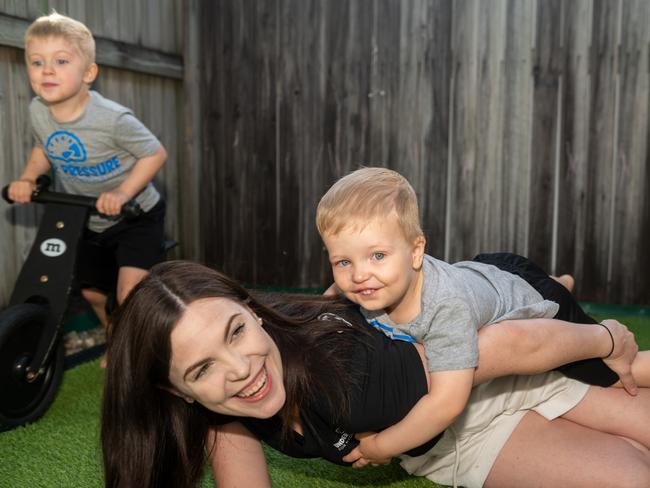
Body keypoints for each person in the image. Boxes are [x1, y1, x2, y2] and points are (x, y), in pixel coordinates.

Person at [101, 260, 650, 488]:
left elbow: (505, 346)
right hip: (457, 436)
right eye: (201, 368)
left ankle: (553, 286)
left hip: (498, 360)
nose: (242, 370)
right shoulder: (227, 403)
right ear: (175, 392)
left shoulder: (357, 384)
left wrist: (606, 339)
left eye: (236, 331)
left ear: (252, 309)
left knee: (603, 356)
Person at [315, 167, 646, 466]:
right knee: (520, 288)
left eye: (377, 255)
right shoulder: (368, 283)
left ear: (416, 251)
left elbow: (446, 403)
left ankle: (568, 296)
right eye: (343, 262)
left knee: (611, 372)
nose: (359, 275)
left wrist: (382, 446)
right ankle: (562, 282)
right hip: (490, 272)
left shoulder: (444, 311)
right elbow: (335, 293)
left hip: (530, 299)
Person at [7, 13, 167, 357]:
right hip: (86, 215)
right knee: (93, 292)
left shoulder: (112, 118)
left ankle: (133, 353)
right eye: (37, 62)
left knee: (128, 293)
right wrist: (27, 178)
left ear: (88, 73)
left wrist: (123, 193)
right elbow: (43, 148)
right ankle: (116, 336)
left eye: (61, 61)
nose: (46, 70)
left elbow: (155, 154)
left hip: (135, 215)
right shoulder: (38, 111)